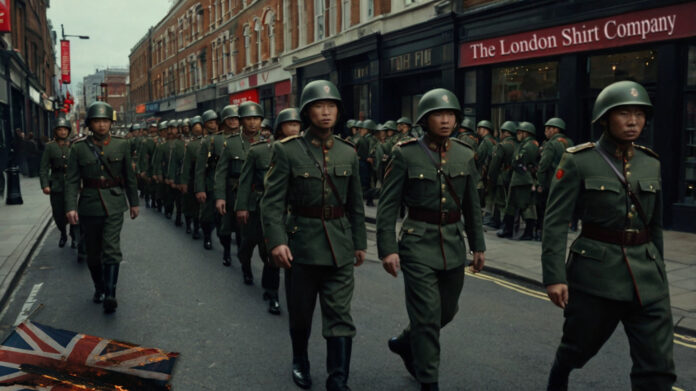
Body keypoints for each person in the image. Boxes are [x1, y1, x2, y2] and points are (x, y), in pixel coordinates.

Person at [542, 80, 675, 390]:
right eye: (624, 114)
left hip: (647, 277)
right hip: (595, 276)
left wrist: (660, 269)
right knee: (579, 347)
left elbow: (654, 225)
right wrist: (554, 276)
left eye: (640, 114)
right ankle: (560, 372)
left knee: (658, 366)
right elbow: (556, 222)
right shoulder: (578, 160)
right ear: (604, 118)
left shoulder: (650, 162)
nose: (633, 122)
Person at [376, 88, 485, 391]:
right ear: (425, 120)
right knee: (426, 318)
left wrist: (478, 245)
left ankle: (406, 342)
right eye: (439, 114)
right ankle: (429, 382)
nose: (446, 120)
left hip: (452, 242)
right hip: (417, 244)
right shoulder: (404, 153)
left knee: (446, 312)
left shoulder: (465, 154)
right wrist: (387, 249)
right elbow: (387, 207)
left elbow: (472, 206)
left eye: (451, 114)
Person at [261, 80, 367, 391]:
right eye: (319, 107)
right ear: (308, 112)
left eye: (331, 106)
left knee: (340, 316)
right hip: (301, 247)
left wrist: (360, 243)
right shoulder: (287, 151)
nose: (325, 112)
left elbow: (355, 205)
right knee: (301, 315)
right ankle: (300, 360)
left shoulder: (349, 152)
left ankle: (338, 379)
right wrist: (277, 241)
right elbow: (272, 202)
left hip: (339, 247)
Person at [64, 101, 139, 313]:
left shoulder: (121, 144)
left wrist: (133, 202)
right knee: (93, 253)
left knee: (111, 249)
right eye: (97, 121)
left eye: (105, 121)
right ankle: (99, 286)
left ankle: (111, 293)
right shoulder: (78, 148)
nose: (102, 125)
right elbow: (71, 180)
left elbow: (129, 177)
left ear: (111, 123)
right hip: (89, 205)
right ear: (90, 124)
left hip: (115, 203)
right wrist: (71, 207)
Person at [235, 107, 301, 315]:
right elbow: (245, 182)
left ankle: (271, 293)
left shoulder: (306, 152)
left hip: (290, 211)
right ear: (280, 128)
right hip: (261, 207)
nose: (294, 128)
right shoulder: (260, 151)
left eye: (297, 124)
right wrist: (242, 207)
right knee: (248, 244)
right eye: (290, 124)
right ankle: (245, 265)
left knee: (272, 253)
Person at [215, 102, 262, 272]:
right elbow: (221, 172)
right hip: (233, 192)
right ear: (242, 121)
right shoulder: (231, 143)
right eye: (248, 119)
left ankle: (246, 265)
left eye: (256, 119)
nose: (252, 123)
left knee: (247, 234)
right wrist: (220, 197)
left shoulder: (268, 143)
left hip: (256, 194)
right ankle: (227, 250)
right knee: (226, 228)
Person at [39, 118, 79, 249]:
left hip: (72, 184)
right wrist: (45, 184)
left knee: (73, 211)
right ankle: (63, 233)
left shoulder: (74, 146)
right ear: (55, 131)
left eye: (65, 129)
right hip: (56, 185)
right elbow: (44, 167)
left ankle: (74, 236)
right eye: (60, 129)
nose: (63, 132)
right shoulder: (50, 147)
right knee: (58, 213)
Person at [497, 121, 539, 240]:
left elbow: (518, 161)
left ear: (526, 133)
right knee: (512, 205)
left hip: (522, 180)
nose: (518, 135)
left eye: (520, 132)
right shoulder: (525, 144)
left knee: (524, 205)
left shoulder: (529, 145)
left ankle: (528, 232)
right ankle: (508, 229)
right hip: (519, 179)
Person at [535, 117, 573, 241]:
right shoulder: (569, 142)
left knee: (544, 209)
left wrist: (539, 183)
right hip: (566, 181)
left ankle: (543, 233)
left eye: (548, 128)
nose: (546, 131)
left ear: (556, 129)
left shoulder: (551, 143)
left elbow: (543, 165)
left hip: (550, 181)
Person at [194, 110, 225, 250]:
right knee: (207, 215)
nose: (213, 125)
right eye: (210, 122)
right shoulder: (205, 142)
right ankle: (207, 236)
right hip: (210, 182)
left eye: (215, 122)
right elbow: (200, 169)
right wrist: (200, 189)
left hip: (225, 183)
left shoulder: (227, 138)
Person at [486, 120, 518, 229]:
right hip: (514, 176)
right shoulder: (518, 144)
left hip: (502, 176)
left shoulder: (502, 145)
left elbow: (495, 164)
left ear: (505, 133)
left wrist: (491, 177)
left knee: (499, 200)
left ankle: (497, 221)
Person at [181, 115, 204, 239]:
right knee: (192, 206)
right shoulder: (190, 145)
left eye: (199, 125)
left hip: (206, 178)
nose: (198, 128)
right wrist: (184, 182)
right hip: (192, 178)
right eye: (195, 126)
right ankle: (193, 226)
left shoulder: (208, 141)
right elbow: (186, 166)